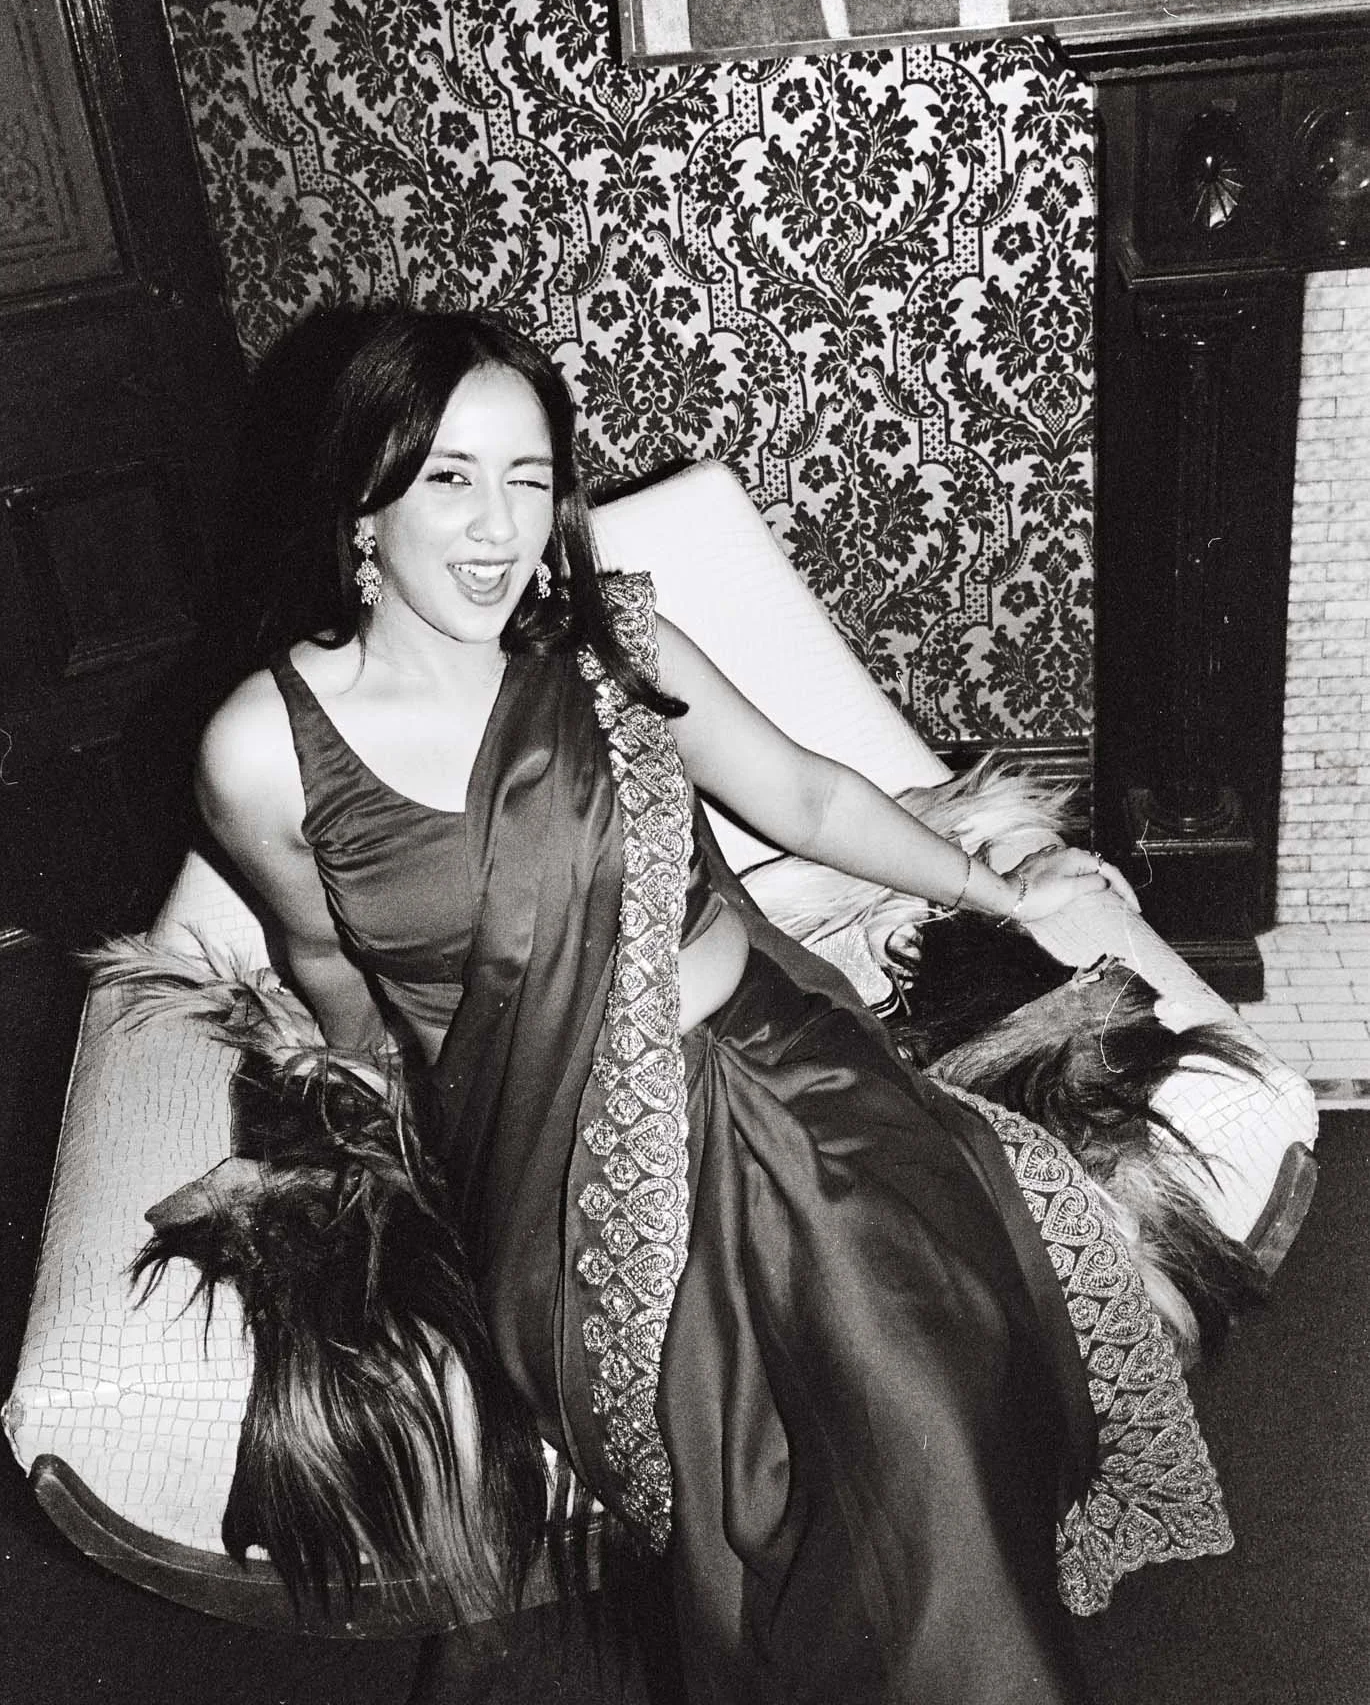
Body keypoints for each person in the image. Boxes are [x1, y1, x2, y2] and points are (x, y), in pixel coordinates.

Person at [193, 303, 1176, 1705]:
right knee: (780, 1429)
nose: (496, 527)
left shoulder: (611, 642)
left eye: (529, 477)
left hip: (780, 1061)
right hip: (553, 1162)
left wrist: (1005, 888)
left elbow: (805, 797)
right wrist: (386, 1161)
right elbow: (331, 974)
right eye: (449, 477)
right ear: (363, 504)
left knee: (916, 1362)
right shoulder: (261, 747)